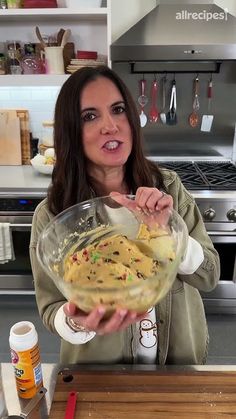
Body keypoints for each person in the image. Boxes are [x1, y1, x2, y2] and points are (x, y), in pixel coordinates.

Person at [30, 65, 220, 365]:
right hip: (101, 372)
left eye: (118, 110)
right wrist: (78, 322)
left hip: (179, 363)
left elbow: (209, 276)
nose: (111, 125)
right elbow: (51, 309)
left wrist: (165, 235)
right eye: (89, 116)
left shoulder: (168, 189)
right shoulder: (54, 215)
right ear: (70, 132)